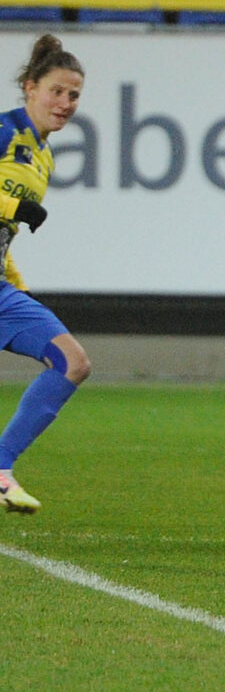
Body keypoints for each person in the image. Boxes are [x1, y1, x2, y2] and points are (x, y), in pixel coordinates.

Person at [0, 34, 91, 514]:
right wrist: (13, 205)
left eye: (73, 94)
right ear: (30, 88)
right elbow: (10, 212)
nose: (66, 102)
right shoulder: (4, 131)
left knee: (72, 362)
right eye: (56, 90)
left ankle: (0, 467)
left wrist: (19, 287)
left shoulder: (43, 155)